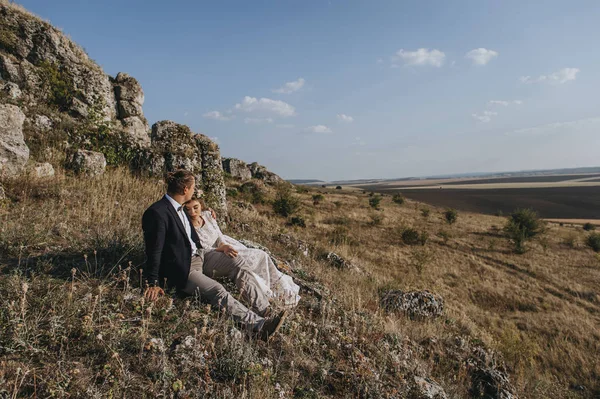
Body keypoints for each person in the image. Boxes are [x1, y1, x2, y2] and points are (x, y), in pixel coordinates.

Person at [141, 169, 286, 340]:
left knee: (237, 262)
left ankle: (265, 309)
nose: (194, 191)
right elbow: (154, 250)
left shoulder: (182, 208)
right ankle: (259, 326)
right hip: (182, 268)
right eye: (193, 188)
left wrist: (208, 211)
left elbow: (194, 222)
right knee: (217, 290)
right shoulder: (157, 212)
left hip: (201, 255)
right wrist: (152, 282)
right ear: (185, 190)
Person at [184, 197, 301, 308]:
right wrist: (221, 249)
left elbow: (218, 233)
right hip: (214, 253)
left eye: (195, 207)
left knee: (261, 255)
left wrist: (224, 244)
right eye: (188, 209)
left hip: (225, 244)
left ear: (201, 205)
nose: (192, 212)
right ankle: (267, 294)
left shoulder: (207, 215)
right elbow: (201, 250)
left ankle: (278, 288)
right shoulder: (186, 226)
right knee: (243, 263)